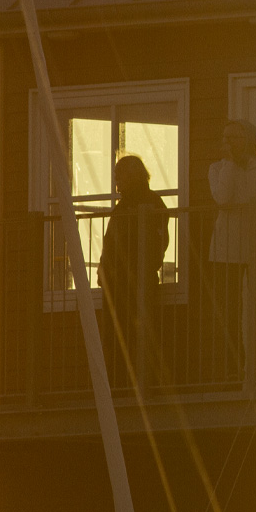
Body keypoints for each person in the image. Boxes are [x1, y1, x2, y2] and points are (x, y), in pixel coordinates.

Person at [98, 155, 170, 386]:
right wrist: (103, 268)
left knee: (138, 335)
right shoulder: (123, 205)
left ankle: (138, 386)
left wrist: (142, 269)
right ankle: (118, 385)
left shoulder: (151, 202)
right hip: (116, 282)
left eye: (120, 176)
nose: (116, 182)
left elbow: (157, 243)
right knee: (114, 336)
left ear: (133, 176)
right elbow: (111, 242)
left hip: (138, 281)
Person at [208, 119, 256, 380]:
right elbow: (223, 199)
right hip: (225, 250)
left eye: (233, 137)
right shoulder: (217, 169)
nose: (227, 143)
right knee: (229, 313)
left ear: (250, 140)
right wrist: (231, 164)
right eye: (225, 137)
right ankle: (232, 372)